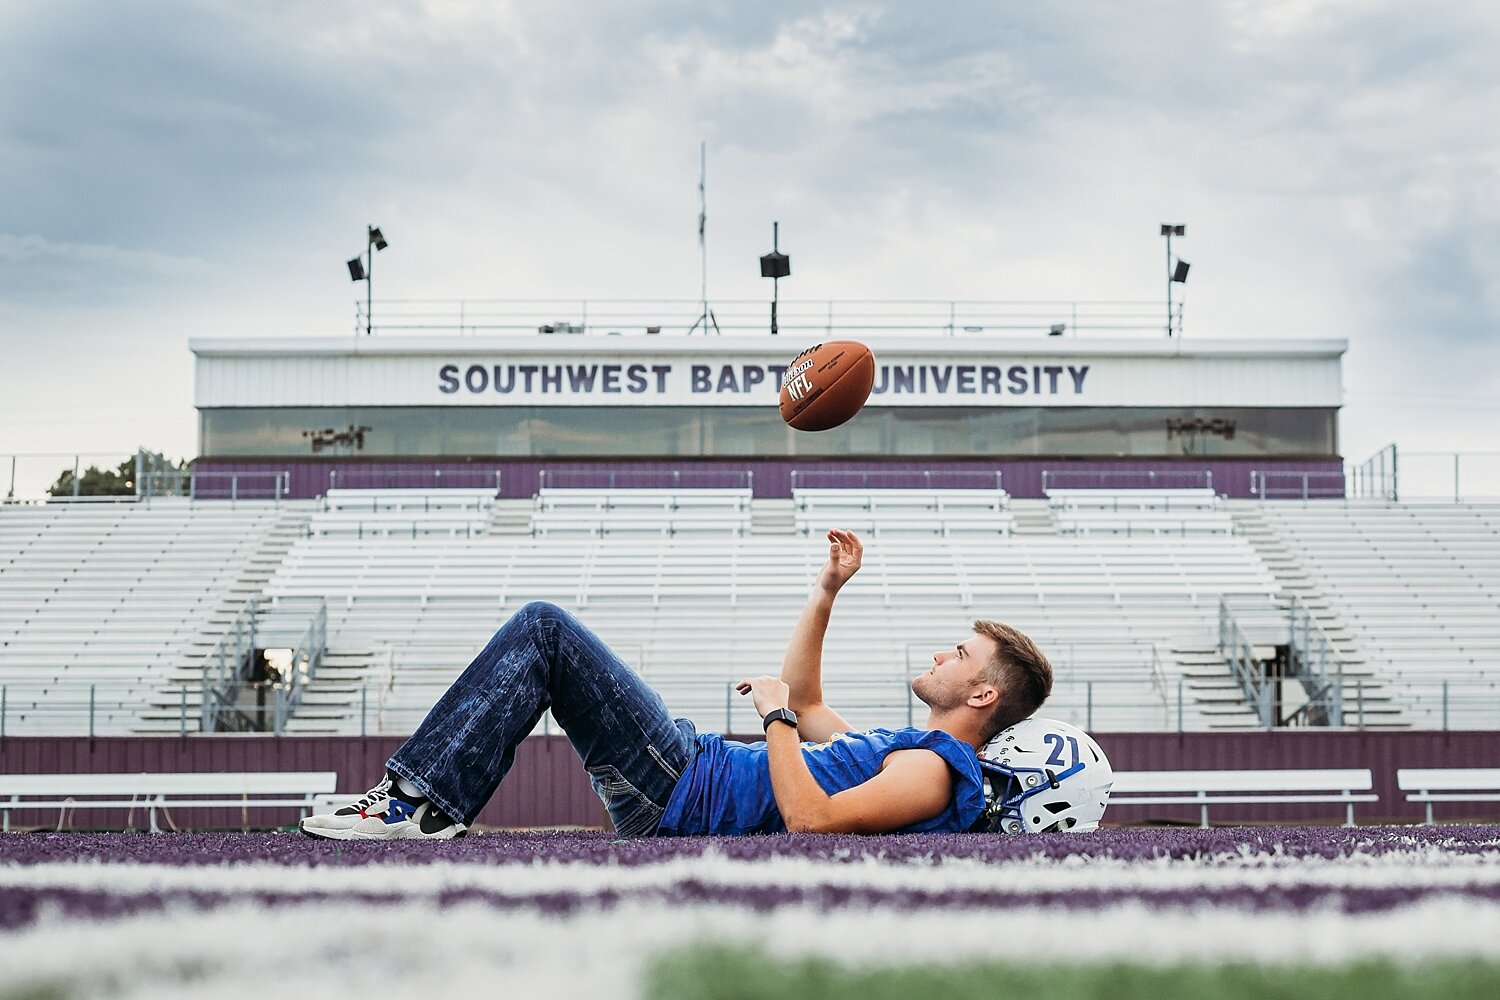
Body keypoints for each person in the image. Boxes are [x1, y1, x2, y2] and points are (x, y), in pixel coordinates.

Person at [300, 528, 1056, 841]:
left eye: (958, 654)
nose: (941, 654)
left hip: (687, 784)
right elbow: (813, 699)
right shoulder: (912, 749)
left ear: (983, 695)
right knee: (545, 637)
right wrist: (827, 592)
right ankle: (421, 802)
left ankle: (416, 807)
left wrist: (777, 720)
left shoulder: (932, 768)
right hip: (686, 776)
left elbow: (813, 822)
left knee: (544, 629)